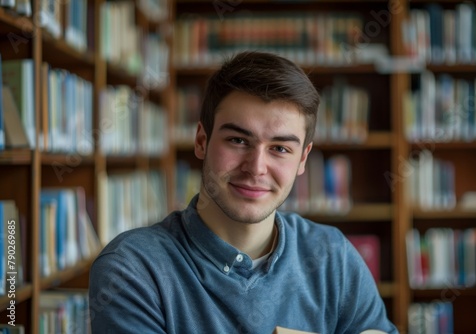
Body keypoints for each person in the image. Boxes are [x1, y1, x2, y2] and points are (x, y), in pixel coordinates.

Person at [89, 51, 398, 334]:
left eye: (279, 148)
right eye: (238, 140)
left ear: (302, 160)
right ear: (201, 141)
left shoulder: (333, 255)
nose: (256, 167)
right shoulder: (132, 269)